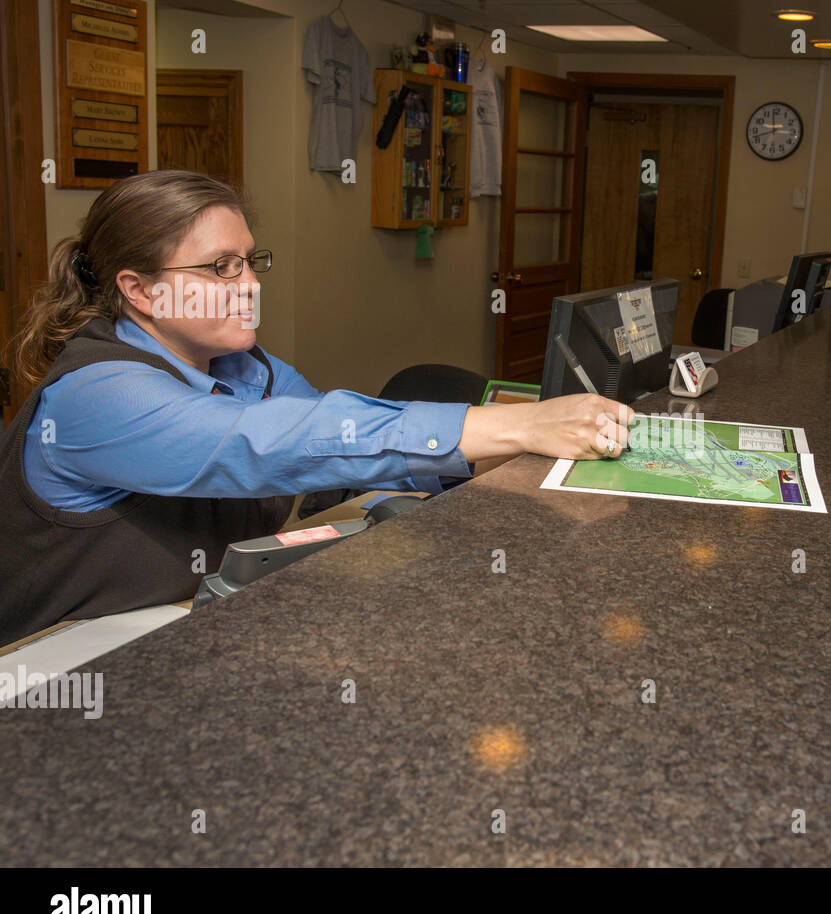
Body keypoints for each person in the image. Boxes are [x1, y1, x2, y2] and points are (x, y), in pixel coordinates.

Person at [0, 170, 632, 643]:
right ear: (138, 290)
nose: (248, 285)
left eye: (250, 262)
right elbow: (276, 442)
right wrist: (519, 421)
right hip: (57, 670)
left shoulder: (245, 366)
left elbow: (347, 445)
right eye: (219, 267)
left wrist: (494, 451)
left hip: (193, 632)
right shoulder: (94, 398)